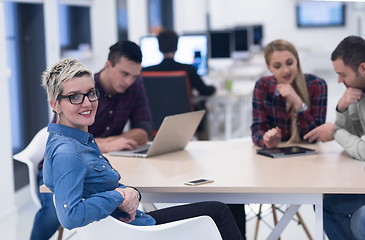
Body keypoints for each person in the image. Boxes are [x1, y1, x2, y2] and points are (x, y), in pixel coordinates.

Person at [41, 57, 243, 240]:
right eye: (74, 97)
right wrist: (119, 196)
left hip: (131, 223)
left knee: (227, 206)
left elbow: (96, 188)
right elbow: (70, 216)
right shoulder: (67, 152)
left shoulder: (76, 140)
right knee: (219, 211)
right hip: (134, 232)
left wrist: (130, 192)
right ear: (55, 105)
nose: (88, 103)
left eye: (91, 94)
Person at [30, 40, 153, 240]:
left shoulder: (133, 87)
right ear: (108, 65)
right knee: (54, 211)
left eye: (91, 95)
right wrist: (119, 194)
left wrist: (109, 143)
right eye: (124, 73)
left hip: (95, 166)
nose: (129, 81)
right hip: (60, 169)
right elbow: (66, 136)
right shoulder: (66, 147)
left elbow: (144, 130)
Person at [304, 35, 365, 240]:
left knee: (356, 218)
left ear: (362, 69)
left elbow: (362, 149)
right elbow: (355, 132)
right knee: (322, 201)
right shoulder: (360, 91)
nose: (338, 80)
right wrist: (342, 107)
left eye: (342, 74)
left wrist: (335, 132)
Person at [251, 39, 328, 148]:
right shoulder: (262, 86)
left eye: (289, 63)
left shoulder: (317, 85)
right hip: (275, 154)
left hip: (308, 155)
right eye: (277, 66)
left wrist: (298, 103)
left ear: (297, 60)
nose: (286, 70)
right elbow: (257, 129)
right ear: (269, 68)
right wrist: (266, 140)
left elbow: (315, 136)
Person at [142, 29, 216, 96]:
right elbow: (205, 91)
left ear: (159, 47)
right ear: (177, 46)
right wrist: (214, 87)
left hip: (155, 111)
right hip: (185, 111)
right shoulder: (188, 69)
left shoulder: (146, 71)